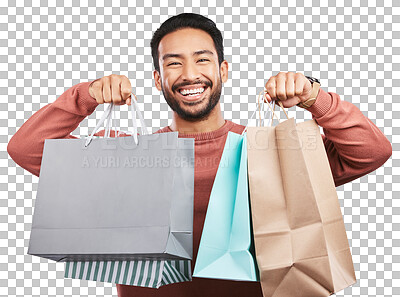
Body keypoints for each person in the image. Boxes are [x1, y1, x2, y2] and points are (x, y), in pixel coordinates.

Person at [7, 12, 391, 297]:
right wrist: (86, 96)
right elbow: (25, 149)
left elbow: (371, 153)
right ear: (158, 79)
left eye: (202, 59)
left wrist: (315, 97)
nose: (190, 74)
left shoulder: (270, 151)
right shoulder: (127, 158)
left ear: (223, 70)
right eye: (173, 63)